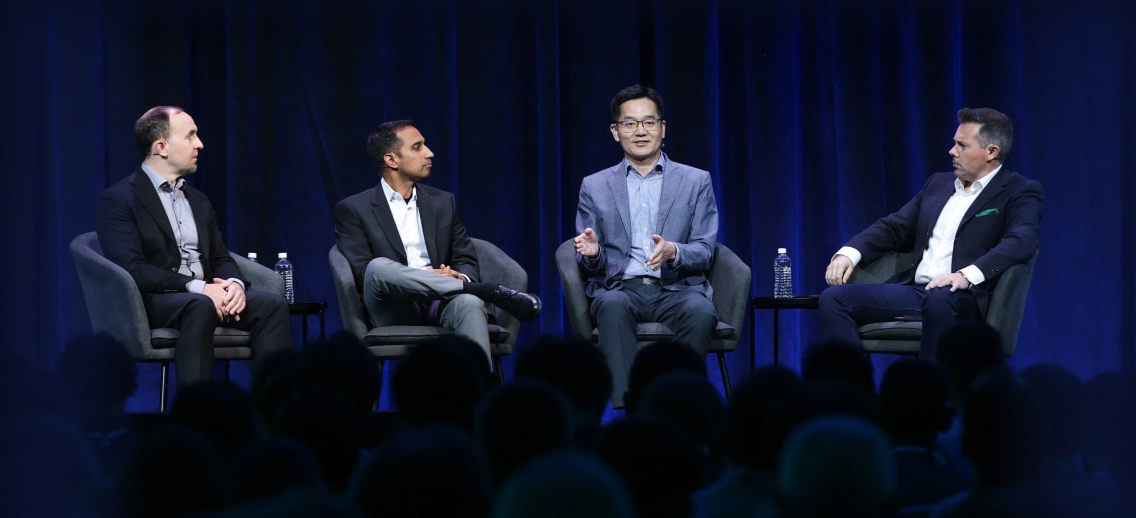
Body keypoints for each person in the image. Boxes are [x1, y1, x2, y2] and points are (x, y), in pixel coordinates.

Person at [818, 107, 1043, 360]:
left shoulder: (1019, 190)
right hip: (916, 292)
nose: (952, 151)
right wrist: (849, 254)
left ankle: (931, 391)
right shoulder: (938, 184)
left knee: (940, 300)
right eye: (953, 143)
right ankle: (852, 390)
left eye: (962, 146)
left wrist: (965, 276)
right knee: (833, 299)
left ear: (992, 151)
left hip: (966, 296)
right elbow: (894, 227)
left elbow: (1021, 241)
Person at [96, 106, 293, 389]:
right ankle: (196, 411)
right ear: (161, 147)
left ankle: (275, 408)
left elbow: (220, 256)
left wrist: (234, 284)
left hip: (205, 294)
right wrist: (199, 288)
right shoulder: (118, 199)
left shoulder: (198, 199)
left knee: (272, 305)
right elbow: (132, 268)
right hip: (155, 299)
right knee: (200, 306)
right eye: (190, 136)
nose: (200, 144)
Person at [332, 119, 541, 369]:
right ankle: (488, 291)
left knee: (470, 303)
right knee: (377, 267)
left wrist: (460, 279)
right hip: (393, 305)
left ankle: (477, 397)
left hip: (441, 303)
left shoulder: (443, 202)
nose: (430, 153)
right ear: (391, 160)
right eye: (417, 147)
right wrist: (425, 276)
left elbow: (464, 257)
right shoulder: (354, 209)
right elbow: (363, 272)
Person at [571, 84, 720, 407]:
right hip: (621, 287)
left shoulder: (696, 181)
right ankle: (628, 408)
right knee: (611, 305)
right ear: (615, 131)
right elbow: (587, 260)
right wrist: (594, 254)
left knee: (701, 311)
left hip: (678, 290)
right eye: (630, 123)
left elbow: (706, 249)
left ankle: (679, 403)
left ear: (662, 128)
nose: (640, 131)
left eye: (649, 122)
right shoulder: (595, 186)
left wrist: (674, 252)